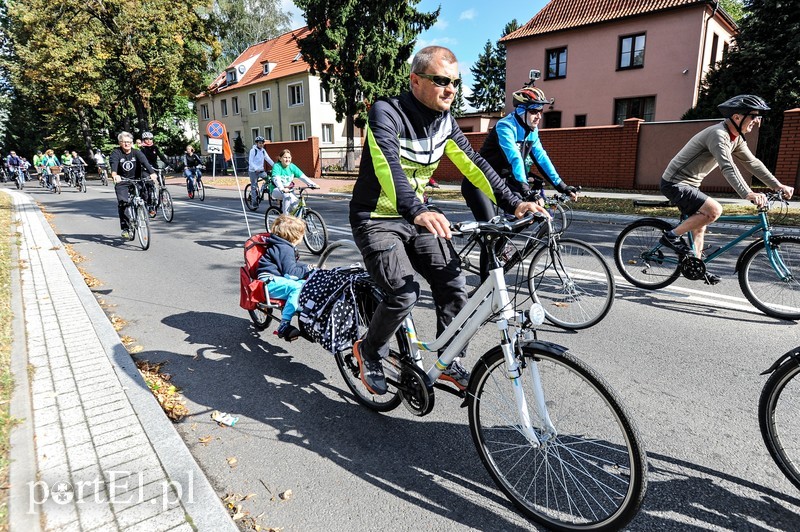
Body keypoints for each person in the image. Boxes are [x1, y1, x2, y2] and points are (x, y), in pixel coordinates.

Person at [349, 45, 546, 395]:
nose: (451, 89)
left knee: (455, 286)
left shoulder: (447, 123)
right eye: (441, 80)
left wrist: (516, 203)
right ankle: (369, 350)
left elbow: (475, 165)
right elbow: (388, 168)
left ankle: (449, 360)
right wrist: (418, 209)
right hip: (377, 218)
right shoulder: (386, 112)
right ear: (415, 81)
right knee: (402, 293)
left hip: (417, 218)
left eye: (456, 82)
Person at [659, 94, 795, 284]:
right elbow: (727, 166)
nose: (756, 121)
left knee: (700, 226)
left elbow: (752, 163)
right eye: (754, 116)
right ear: (737, 117)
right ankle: (671, 236)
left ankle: (696, 267)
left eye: (758, 117)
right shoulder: (718, 134)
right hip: (675, 183)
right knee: (714, 210)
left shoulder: (735, 138)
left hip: (690, 184)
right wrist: (748, 193)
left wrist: (777, 185)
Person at [464, 85, 579, 280]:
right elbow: (515, 159)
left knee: (527, 215)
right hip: (479, 184)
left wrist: (562, 185)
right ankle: (486, 289)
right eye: (534, 111)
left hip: (501, 183)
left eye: (540, 111)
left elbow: (541, 158)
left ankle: (501, 246)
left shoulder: (531, 131)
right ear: (520, 111)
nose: (538, 116)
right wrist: (526, 191)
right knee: (492, 234)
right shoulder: (505, 126)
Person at [256, 214, 312, 341]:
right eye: (302, 234)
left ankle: (299, 309)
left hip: (278, 278)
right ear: (294, 235)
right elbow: (291, 271)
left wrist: (307, 268)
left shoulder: (283, 245)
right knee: (298, 287)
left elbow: (291, 267)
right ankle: (284, 323)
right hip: (268, 282)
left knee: (307, 284)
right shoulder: (284, 248)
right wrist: (308, 269)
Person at [109, 132, 158, 238]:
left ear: (132, 143)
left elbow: (145, 163)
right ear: (120, 143)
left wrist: (152, 173)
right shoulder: (116, 153)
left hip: (137, 179)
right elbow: (113, 166)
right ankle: (126, 228)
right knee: (123, 203)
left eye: (129, 142)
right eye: (124, 142)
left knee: (145, 194)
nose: (127, 144)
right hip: (122, 181)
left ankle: (141, 211)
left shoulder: (137, 152)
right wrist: (115, 175)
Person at [270, 149, 319, 213]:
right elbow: (276, 179)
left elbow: (302, 177)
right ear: (280, 158)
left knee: (297, 207)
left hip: (289, 190)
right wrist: (282, 188)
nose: (287, 159)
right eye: (285, 157)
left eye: (289, 158)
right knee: (286, 196)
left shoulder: (292, 167)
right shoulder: (277, 166)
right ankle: (285, 217)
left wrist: (313, 184)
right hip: (276, 190)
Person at [248, 136, 274, 206]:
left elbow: (268, 159)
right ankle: (254, 202)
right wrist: (255, 168)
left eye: (262, 143)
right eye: (259, 143)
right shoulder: (253, 150)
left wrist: (275, 166)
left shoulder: (263, 151)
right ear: (256, 143)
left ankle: (262, 190)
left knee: (269, 180)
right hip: (253, 171)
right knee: (254, 186)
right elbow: (250, 162)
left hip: (261, 171)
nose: (261, 144)